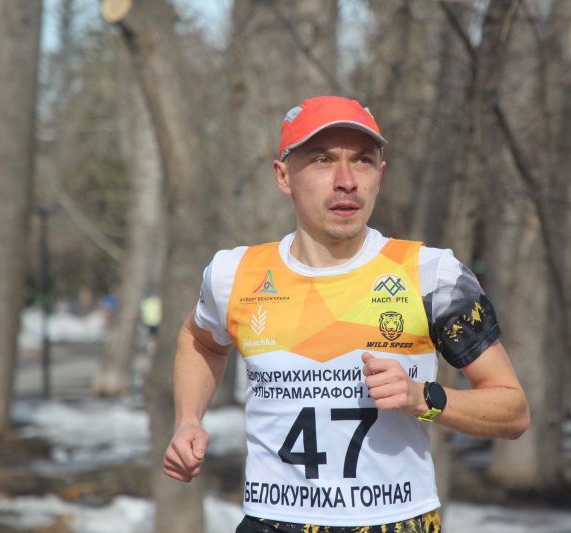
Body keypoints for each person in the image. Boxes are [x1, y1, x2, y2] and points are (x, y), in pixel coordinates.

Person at [162, 96, 530, 532]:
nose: (346, 181)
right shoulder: (234, 273)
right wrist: (188, 420)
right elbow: (200, 339)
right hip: (273, 521)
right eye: (322, 160)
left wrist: (424, 398)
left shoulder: (432, 274)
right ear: (283, 176)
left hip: (393, 521)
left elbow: (513, 411)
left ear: (380, 175)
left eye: (362, 161)